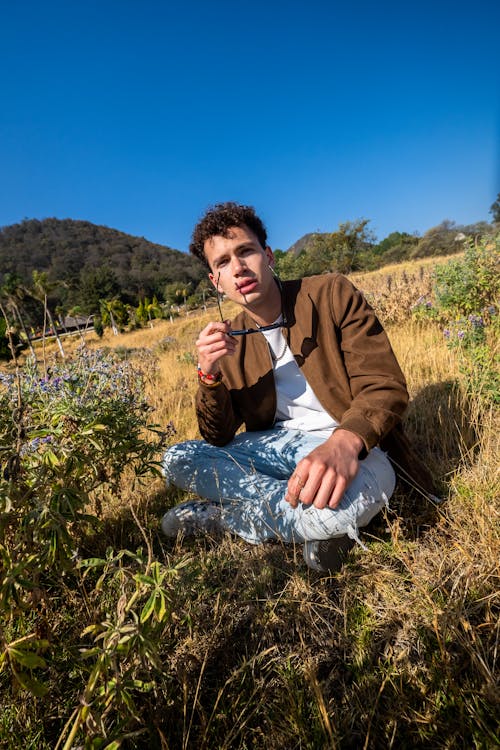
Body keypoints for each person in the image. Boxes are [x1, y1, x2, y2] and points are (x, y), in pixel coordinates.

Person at [161, 202, 434, 572]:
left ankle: (225, 518)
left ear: (268, 255)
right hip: (276, 450)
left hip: (354, 446)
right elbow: (219, 436)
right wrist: (208, 375)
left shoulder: (331, 294)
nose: (238, 267)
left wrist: (343, 442)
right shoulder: (228, 340)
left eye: (246, 251)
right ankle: (311, 516)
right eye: (222, 262)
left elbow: (385, 386)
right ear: (216, 282)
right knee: (175, 460)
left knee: (355, 500)